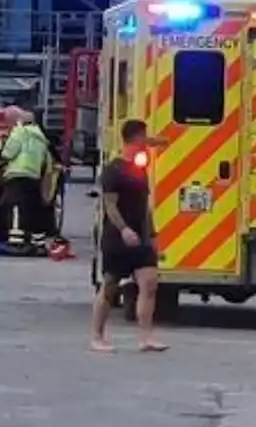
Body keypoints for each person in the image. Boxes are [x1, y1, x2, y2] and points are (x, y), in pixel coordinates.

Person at [90, 118, 168, 353]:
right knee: (110, 286)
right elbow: (110, 205)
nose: (147, 142)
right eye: (143, 137)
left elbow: (145, 205)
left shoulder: (140, 170)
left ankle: (146, 337)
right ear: (134, 139)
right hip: (117, 236)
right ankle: (97, 336)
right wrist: (124, 229)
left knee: (149, 283)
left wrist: (152, 235)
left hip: (141, 236)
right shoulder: (113, 170)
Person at [0, 109, 50, 251]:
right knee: (32, 207)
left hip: (17, 173)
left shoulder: (20, 132)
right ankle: (37, 241)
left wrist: (1, 152)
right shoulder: (41, 137)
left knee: (15, 206)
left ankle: (16, 240)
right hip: (34, 175)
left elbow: (8, 153)